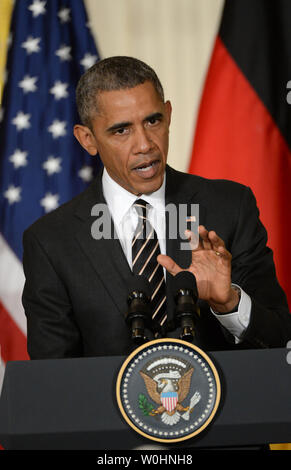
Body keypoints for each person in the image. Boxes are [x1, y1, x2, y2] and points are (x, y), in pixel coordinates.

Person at [22, 56, 291, 359]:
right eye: (121, 130)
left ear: (169, 114)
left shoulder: (230, 207)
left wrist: (229, 303)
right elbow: (53, 379)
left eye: (153, 121)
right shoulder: (50, 241)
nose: (145, 144)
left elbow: (279, 341)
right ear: (88, 139)